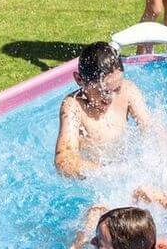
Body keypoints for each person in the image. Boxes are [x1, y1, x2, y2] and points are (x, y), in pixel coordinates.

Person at [53, 41, 156, 178]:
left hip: (124, 170)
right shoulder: (74, 106)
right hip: (96, 178)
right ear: (79, 80)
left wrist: (164, 163)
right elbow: (64, 161)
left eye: (117, 88)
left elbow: (152, 129)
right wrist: (111, 172)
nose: (111, 97)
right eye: (104, 91)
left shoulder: (127, 90)